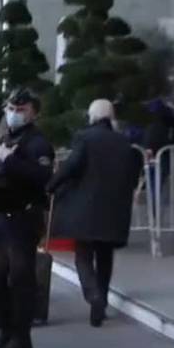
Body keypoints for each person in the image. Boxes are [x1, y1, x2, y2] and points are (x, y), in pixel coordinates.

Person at [47, 99, 142, 327]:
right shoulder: (124, 142)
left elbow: (72, 166)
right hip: (113, 209)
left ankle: (93, 296)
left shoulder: (85, 138)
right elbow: (132, 172)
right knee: (105, 256)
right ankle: (102, 300)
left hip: (86, 208)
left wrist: (51, 185)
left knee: (83, 254)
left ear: (91, 116)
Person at [0, 88, 54, 348]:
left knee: (21, 279)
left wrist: (13, 164)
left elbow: (44, 177)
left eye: (21, 110)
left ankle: (21, 338)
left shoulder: (37, 143)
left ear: (34, 113)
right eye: (11, 108)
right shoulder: (4, 139)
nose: (14, 114)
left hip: (23, 217)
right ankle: (4, 330)